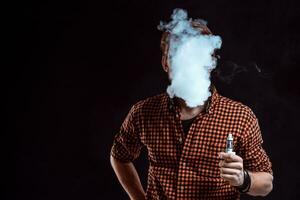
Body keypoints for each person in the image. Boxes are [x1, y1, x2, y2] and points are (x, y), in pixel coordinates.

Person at [110, 18, 273, 200]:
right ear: (166, 63)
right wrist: (137, 197)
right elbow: (119, 155)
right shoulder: (143, 112)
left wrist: (243, 179)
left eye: (197, 57)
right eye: (179, 56)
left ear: (210, 64)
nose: (189, 66)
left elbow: (266, 184)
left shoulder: (241, 116)